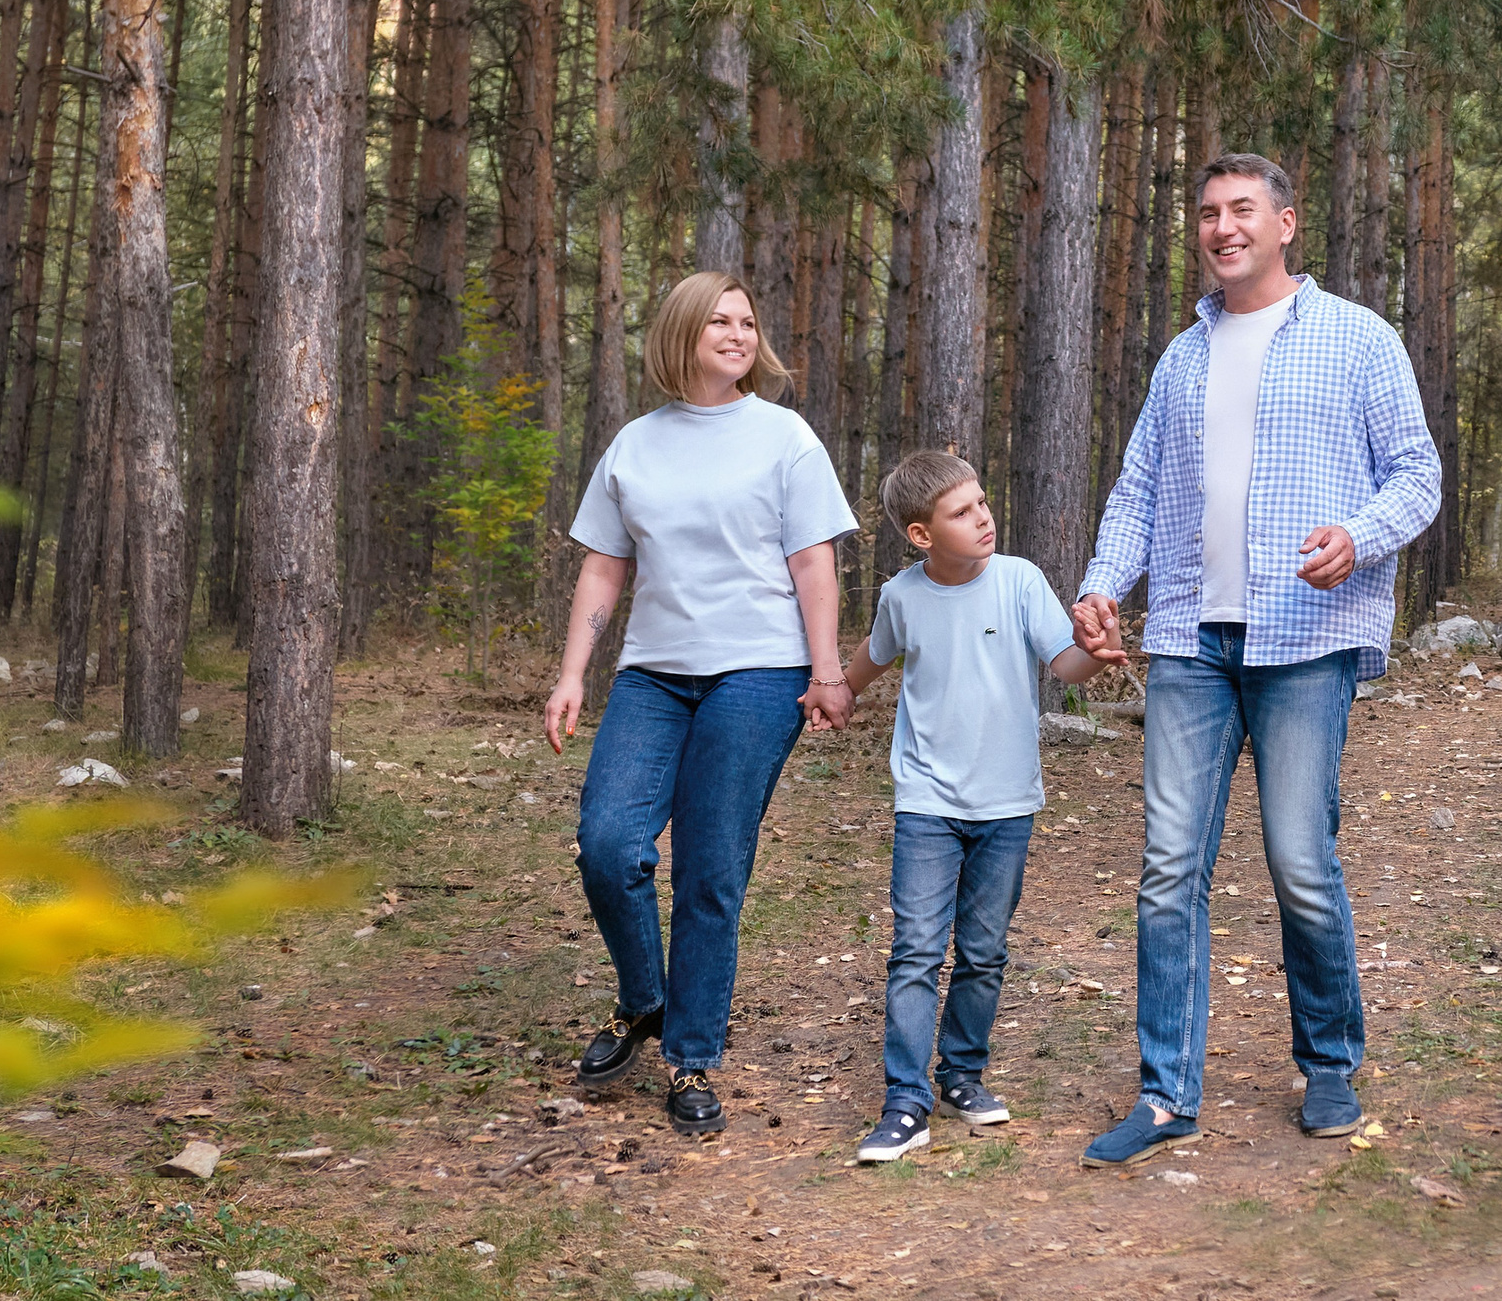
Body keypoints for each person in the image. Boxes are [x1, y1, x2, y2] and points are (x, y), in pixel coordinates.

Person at [1069, 153, 1441, 1169]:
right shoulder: (1181, 358)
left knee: (1299, 862)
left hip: (1304, 643)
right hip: (1189, 639)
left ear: (1285, 223)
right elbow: (1138, 489)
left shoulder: (1356, 340)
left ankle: (1328, 1063)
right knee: (1165, 871)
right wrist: (1104, 584)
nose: (1221, 227)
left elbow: (1417, 476)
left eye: (1241, 210)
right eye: (1206, 213)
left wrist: (1357, 538)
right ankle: (1163, 1094)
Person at [544, 270, 859, 1135]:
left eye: (747, 320)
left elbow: (812, 563)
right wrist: (573, 673)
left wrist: (827, 670)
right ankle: (645, 999)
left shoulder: (784, 437)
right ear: (680, 332)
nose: (737, 332)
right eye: (718, 319)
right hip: (653, 672)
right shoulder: (634, 445)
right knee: (609, 843)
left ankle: (689, 1055)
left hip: (757, 671)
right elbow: (605, 564)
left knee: (712, 868)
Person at [836, 450, 1113, 1163]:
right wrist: (836, 689)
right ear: (922, 533)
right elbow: (875, 653)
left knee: (984, 951)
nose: (983, 517)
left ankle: (963, 1073)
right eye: (962, 511)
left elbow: (1065, 666)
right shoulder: (902, 595)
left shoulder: (1020, 580)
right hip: (927, 799)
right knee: (916, 950)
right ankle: (905, 1101)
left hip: (1006, 802)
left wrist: (1094, 648)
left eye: (983, 502)